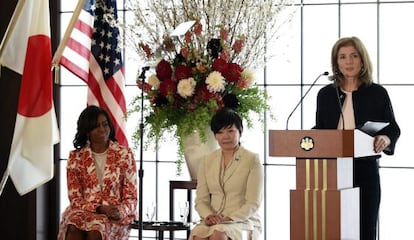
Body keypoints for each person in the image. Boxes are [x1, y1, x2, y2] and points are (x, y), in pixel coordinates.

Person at [314, 36, 400, 240]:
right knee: (333, 229)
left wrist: (385, 139)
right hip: (331, 170)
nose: (348, 62)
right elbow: (320, 129)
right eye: (342, 57)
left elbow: (393, 128)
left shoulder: (377, 93)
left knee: (364, 229)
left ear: (362, 60)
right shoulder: (325, 94)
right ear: (336, 63)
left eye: (354, 56)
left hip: (365, 170)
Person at [57, 105, 138, 240]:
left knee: (96, 231)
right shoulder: (75, 157)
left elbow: (132, 198)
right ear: (87, 131)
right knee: (73, 230)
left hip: (113, 216)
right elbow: (75, 199)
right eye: (96, 126)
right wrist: (99, 208)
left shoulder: (125, 155)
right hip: (84, 211)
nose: (102, 129)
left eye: (105, 124)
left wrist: (120, 211)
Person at [190, 108, 264, 240]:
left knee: (218, 234)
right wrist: (209, 216)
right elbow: (201, 200)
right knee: (198, 234)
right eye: (220, 132)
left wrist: (229, 218)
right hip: (213, 221)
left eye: (230, 131)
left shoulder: (252, 159)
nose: (225, 136)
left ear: (240, 131)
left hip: (243, 221)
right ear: (214, 135)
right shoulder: (207, 160)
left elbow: (253, 203)